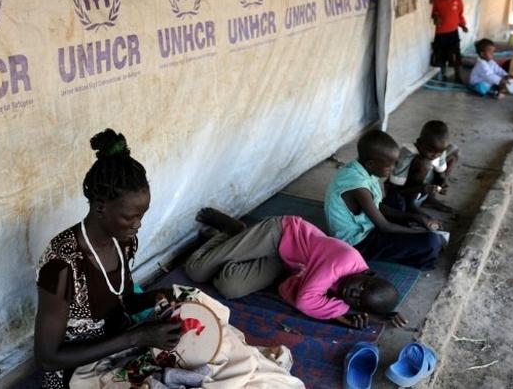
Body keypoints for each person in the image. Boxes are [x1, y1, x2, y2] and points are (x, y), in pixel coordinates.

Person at [33, 129, 181, 389]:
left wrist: (158, 296)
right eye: (130, 217)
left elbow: (123, 302)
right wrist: (137, 337)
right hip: (74, 372)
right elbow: (47, 358)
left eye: (142, 215)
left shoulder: (120, 240)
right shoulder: (61, 265)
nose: (138, 225)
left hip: (120, 350)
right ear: (100, 207)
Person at [184, 208, 407, 329]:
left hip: (285, 262)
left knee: (229, 286)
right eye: (363, 287)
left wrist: (365, 314)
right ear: (369, 273)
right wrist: (344, 313)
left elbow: (292, 292)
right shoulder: (343, 261)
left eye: (358, 301)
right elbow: (305, 300)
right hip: (279, 233)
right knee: (196, 270)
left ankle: (239, 242)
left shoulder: (351, 292)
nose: (353, 293)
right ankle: (232, 230)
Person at [324, 129, 443, 270]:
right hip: (357, 244)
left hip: (371, 225)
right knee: (431, 242)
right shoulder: (357, 187)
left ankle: (410, 232)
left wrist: (416, 217)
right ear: (370, 164)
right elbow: (384, 226)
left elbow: (377, 206)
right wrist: (423, 232)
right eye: (389, 166)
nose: (392, 169)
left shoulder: (363, 168)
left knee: (397, 199)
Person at [384, 121, 459, 217]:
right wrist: (422, 188)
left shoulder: (438, 151)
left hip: (425, 186)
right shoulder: (406, 154)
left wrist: (442, 182)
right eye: (431, 151)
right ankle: (410, 204)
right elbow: (394, 190)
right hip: (405, 191)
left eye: (439, 153)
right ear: (419, 142)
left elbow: (440, 171)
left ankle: (429, 199)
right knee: (424, 162)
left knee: (454, 152)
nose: (435, 156)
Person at [431, 0, 468, 83]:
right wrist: (436, 17)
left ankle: (458, 76)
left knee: (456, 54)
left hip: (453, 32)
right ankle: (444, 75)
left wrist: (463, 25)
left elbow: (460, 14)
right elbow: (433, 12)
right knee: (441, 55)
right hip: (440, 33)